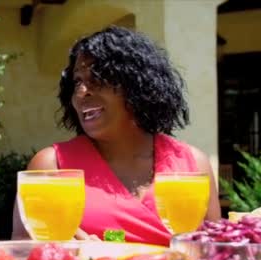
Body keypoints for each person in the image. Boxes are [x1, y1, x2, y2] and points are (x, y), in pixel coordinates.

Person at [12, 26, 221, 245]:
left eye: (97, 78)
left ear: (136, 85)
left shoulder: (193, 164)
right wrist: (69, 251)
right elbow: (22, 251)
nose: (82, 92)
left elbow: (216, 255)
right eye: (77, 82)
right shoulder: (51, 166)